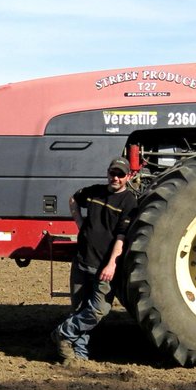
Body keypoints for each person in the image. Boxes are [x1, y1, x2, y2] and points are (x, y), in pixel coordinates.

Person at [52, 156, 138, 365]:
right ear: (107, 173)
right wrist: (80, 223)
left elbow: (121, 237)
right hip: (82, 261)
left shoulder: (129, 201)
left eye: (120, 175)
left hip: (103, 267)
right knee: (80, 309)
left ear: (128, 176)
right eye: (112, 173)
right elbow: (73, 199)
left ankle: (63, 333)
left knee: (99, 309)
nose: (115, 178)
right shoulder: (94, 192)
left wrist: (111, 264)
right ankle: (78, 356)